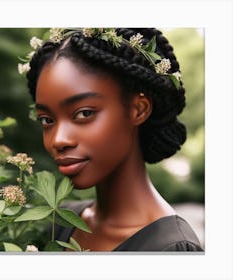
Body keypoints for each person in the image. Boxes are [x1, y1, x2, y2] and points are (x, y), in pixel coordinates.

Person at [24, 28, 203, 251]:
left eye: (84, 113)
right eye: (47, 120)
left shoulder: (170, 249)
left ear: (139, 109)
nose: (58, 140)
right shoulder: (55, 223)